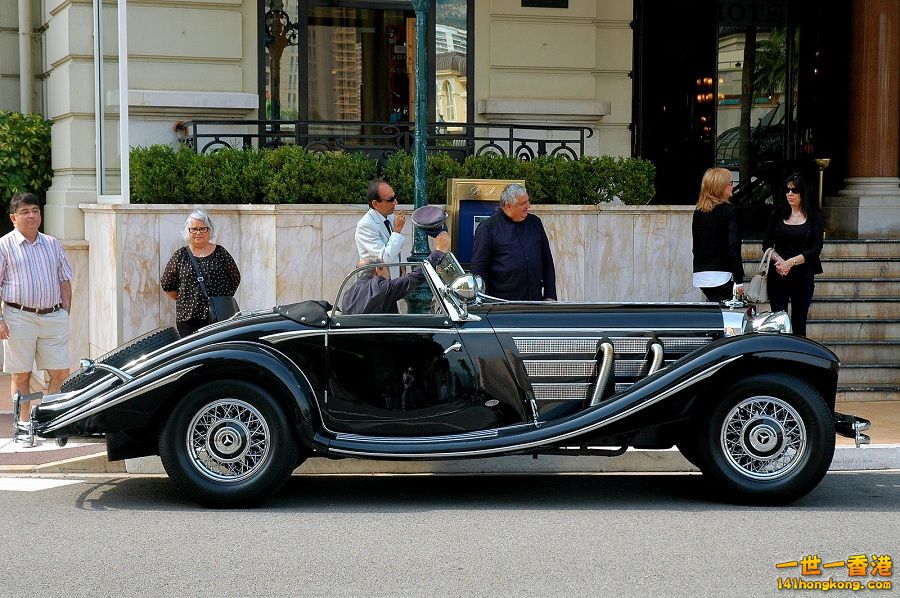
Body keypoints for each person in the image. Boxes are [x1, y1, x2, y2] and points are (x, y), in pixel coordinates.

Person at [0, 192, 73, 433]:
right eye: (25, 212)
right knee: (21, 375)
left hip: (53, 317)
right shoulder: (4, 246)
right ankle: (22, 424)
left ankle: (47, 420)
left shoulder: (52, 244)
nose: (31, 216)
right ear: (13, 217)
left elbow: (64, 279)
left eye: (35, 211)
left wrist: (64, 313)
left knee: (61, 372)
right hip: (18, 317)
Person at [160, 209, 241, 337]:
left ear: (209, 231)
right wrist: (186, 298)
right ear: (188, 231)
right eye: (194, 229)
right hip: (189, 318)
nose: (198, 232)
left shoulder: (221, 252)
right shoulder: (181, 255)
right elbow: (167, 284)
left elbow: (235, 278)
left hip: (220, 318)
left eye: (203, 228)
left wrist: (219, 300)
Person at [469, 183, 557, 301]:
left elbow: (547, 262)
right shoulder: (488, 228)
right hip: (504, 305)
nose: (528, 206)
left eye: (528, 201)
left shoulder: (535, 223)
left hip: (535, 301)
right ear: (508, 206)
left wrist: (550, 295)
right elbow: (478, 269)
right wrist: (484, 302)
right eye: (523, 203)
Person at [762, 173, 824, 337]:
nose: (790, 194)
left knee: (799, 323)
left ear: (804, 192)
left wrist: (791, 262)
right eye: (787, 190)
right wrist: (781, 261)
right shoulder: (777, 214)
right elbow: (766, 245)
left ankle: (798, 360)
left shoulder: (815, 216)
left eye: (794, 191)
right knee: (778, 323)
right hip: (778, 274)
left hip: (802, 276)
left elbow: (816, 249)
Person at [342, 232, 451, 315]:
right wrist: (438, 252)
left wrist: (400, 279)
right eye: (386, 268)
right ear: (377, 271)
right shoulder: (379, 286)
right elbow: (414, 278)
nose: (389, 273)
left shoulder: (349, 293)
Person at [691, 167, 744, 302]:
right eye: (730, 183)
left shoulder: (698, 212)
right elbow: (733, 247)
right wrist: (739, 280)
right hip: (721, 274)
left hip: (700, 275)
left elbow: (695, 246)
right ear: (721, 186)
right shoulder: (730, 210)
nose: (733, 186)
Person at [356, 178, 406, 278]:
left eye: (395, 197)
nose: (395, 202)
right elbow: (384, 260)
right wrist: (397, 231)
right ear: (375, 203)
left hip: (392, 284)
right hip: (376, 286)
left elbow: (393, 250)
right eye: (390, 200)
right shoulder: (365, 225)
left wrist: (400, 266)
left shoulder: (390, 217)